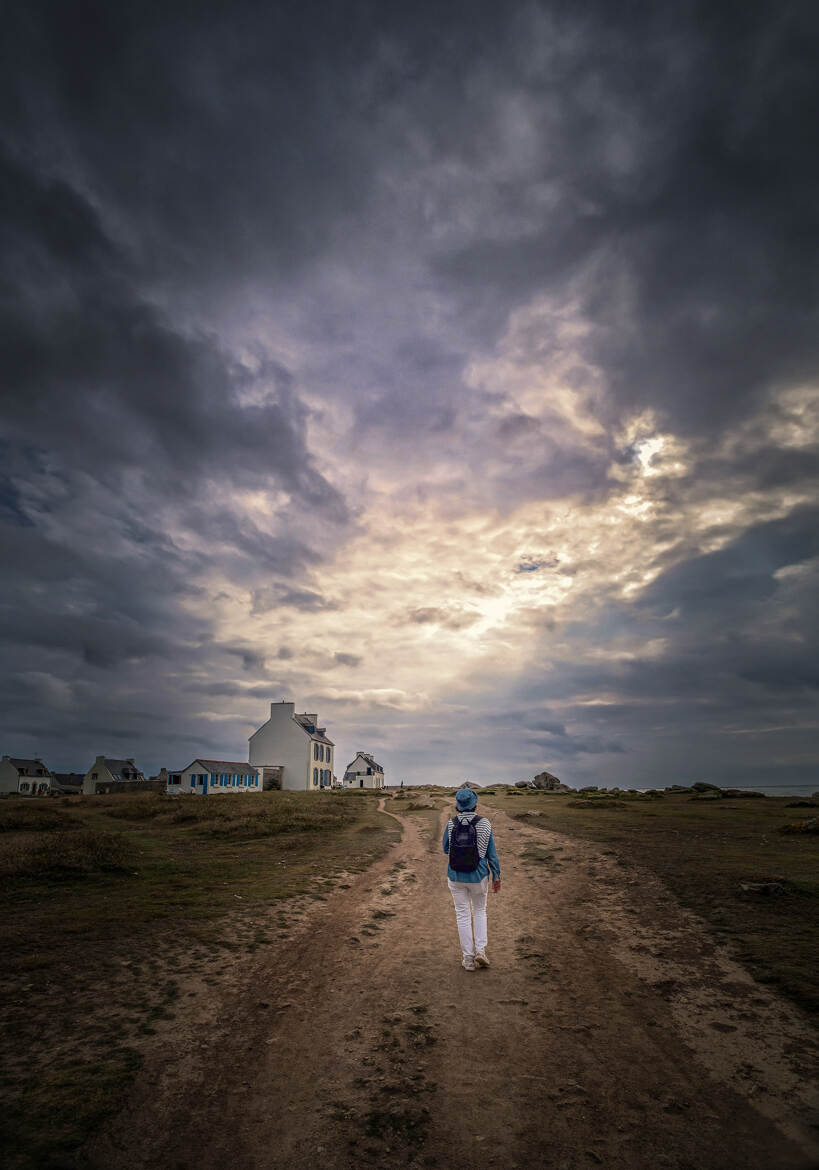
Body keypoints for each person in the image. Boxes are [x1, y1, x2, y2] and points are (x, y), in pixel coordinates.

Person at [443, 786, 501, 971]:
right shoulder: (485, 824)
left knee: (462, 915)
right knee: (479, 911)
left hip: (456, 875)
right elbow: (492, 854)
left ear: (458, 805)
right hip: (479, 875)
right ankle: (480, 951)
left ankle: (467, 959)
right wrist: (497, 876)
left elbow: (446, 849)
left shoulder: (451, 824)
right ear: (475, 804)